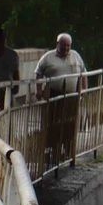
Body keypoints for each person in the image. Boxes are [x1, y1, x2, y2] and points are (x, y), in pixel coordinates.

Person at [35, 33, 88, 165]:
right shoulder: (48, 57)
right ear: (57, 44)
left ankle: (68, 152)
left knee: (70, 123)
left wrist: (84, 89)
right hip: (54, 95)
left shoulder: (75, 56)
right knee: (54, 124)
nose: (66, 48)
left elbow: (83, 73)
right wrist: (39, 90)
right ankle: (54, 151)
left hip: (72, 96)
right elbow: (38, 73)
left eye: (68, 46)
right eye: (63, 45)